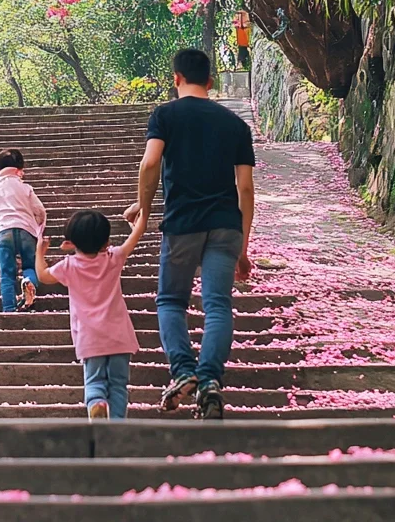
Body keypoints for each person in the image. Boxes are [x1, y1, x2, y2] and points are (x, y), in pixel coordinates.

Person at [125, 47, 255, 421]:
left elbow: (150, 163)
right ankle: (211, 380)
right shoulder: (235, 125)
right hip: (226, 225)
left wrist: (144, 209)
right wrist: (243, 247)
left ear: (176, 78)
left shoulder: (165, 115)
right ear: (211, 82)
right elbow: (245, 189)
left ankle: (183, 371)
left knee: (170, 301)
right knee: (217, 305)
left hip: (182, 223)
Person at [35, 208, 147, 420]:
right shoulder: (114, 257)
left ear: (72, 242)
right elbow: (137, 233)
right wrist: (139, 217)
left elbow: (42, 275)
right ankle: (115, 424)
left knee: (94, 382)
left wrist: (40, 252)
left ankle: (97, 403)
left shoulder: (69, 266)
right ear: (106, 241)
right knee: (119, 385)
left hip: (90, 338)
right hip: (119, 336)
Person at [0, 148, 46, 313]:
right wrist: (37, 229)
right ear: (20, 171)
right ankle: (29, 281)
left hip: (5, 231)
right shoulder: (26, 188)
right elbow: (40, 211)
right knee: (30, 265)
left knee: (7, 273)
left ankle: (9, 308)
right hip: (27, 231)